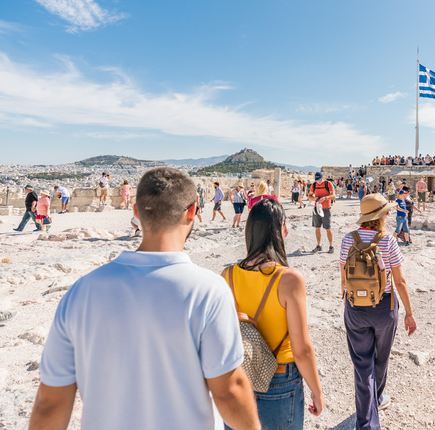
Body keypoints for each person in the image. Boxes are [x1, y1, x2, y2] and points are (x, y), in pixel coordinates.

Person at [29, 167, 261, 430]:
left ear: (136, 212)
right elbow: (228, 390)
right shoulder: (208, 291)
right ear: (192, 212)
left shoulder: (81, 292)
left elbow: (50, 402)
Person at [223, 199, 325, 430]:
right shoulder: (289, 279)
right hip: (280, 378)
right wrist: (317, 392)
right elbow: (302, 349)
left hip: (239, 375)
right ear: (280, 230)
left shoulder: (227, 275)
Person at [339, 193, 417, 430]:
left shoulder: (347, 240)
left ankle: (367, 419)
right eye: (387, 212)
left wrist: (348, 304)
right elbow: (400, 281)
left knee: (362, 364)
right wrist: (409, 313)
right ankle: (376, 403)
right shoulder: (387, 240)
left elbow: (343, 277)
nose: (389, 214)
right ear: (381, 216)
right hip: (384, 307)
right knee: (380, 359)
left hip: (355, 307)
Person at [308, 172, 335, 254]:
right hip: (317, 209)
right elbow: (309, 196)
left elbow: (333, 196)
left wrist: (325, 198)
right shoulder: (314, 185)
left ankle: (331, 246)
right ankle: (319, 245)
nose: (318, 182)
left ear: (323, 177)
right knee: (317, 227)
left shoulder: (328, 184)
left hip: (326, 209)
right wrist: (315, 198)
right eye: (317, 180)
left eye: (319, 180)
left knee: (328, 228)